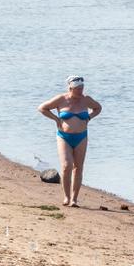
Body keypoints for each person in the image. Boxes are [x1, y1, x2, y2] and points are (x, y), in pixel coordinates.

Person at [37, 76, 103, 208]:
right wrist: (56, 119)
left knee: (78, 168)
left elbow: (98, 108)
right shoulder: (61, 99)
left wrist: (89, 117)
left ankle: (74, 199)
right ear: (70, 88)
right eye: (78, 89)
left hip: (82, 137)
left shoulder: (86, 100)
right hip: (64, 137)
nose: (80, 91)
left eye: (82, 88)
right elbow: (42, 108)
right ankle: (66, 196)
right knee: (67, 166)